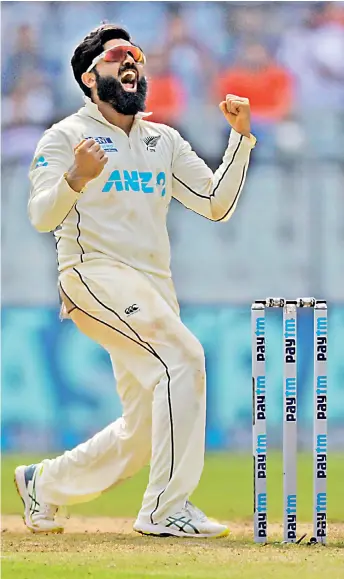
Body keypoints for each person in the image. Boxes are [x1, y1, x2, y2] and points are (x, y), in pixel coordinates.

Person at [15, 24, 256, 538]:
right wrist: (75, 176)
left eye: (136, 57)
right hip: (92, 276)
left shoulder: (162, 140)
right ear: (88, 77)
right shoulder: (65, 137)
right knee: (185, 358)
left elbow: (215, 203)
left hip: (152, 291)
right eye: (116, 56)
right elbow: (40, 216)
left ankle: (43, 484)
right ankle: (165, 508)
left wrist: (240, 139)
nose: (130, 63)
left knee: (144, 429)